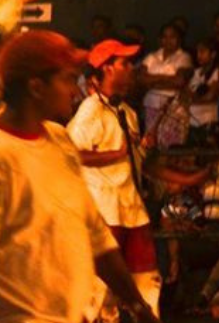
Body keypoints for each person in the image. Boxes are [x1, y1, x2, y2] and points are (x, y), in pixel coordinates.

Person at [0, 31, 158, 323]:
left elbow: (96, 237)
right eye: (68, 79)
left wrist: (139, 307)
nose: (75, 89)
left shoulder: (59, 140)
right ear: (36, 87)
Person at [67, 39, 161, 323]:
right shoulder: (90, 110)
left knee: (147, 279)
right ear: (106, 69)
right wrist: (117, 153)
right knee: (97, 287)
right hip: (104, 210)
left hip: (131, 209)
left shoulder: (128, 113)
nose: (130, 67)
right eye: (123, 63)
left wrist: (143, 147)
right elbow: (73, 155)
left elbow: (140, 162)